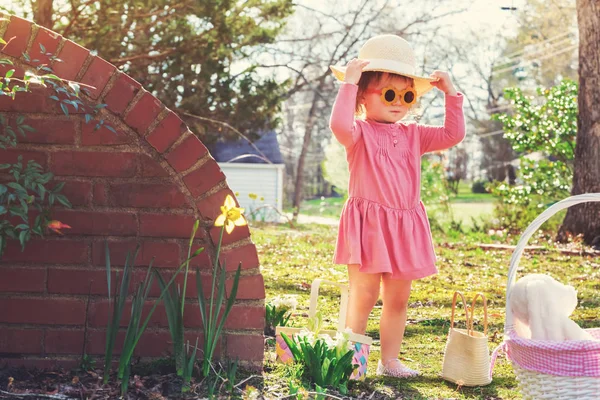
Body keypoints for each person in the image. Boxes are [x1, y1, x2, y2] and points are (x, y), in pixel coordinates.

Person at [329, 34, 465, 378]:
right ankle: (351, 360)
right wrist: (348, 84)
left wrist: (451, 93)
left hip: (405, 225)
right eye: (389, 94)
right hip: (369, 224)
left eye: (407, 96)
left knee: (398, 298)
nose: (399, 103)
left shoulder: (414, 134)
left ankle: (389, 361)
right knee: (364, 294)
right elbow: (339, 125)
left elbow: (453, 135)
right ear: (363, 96)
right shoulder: (359, 132)